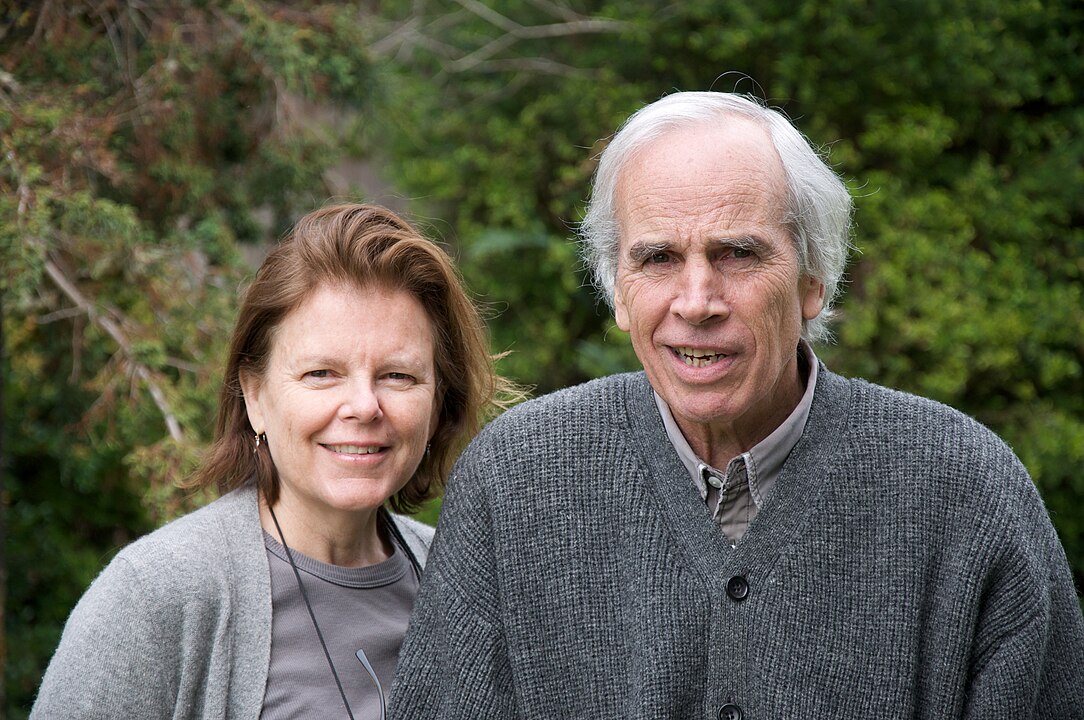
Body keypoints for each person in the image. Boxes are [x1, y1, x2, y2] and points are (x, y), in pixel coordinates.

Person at [389, 92, 1084, 718]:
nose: (696, 302)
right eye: (658, 259)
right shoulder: (514, 484)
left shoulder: (966, 489)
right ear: (618, 292)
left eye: (738, 254)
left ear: (813, 279)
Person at [32, 203, 508, 719]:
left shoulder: (462, 583)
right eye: (322, 373)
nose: (365, 406)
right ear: (254, 395)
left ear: (439, 403)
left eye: (398, 376)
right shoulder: (155, 597)